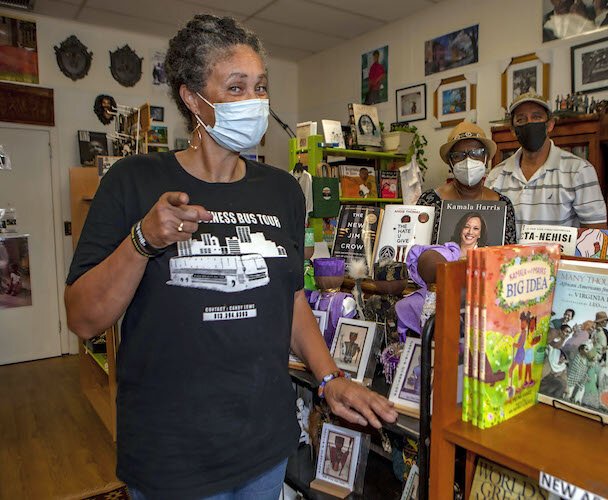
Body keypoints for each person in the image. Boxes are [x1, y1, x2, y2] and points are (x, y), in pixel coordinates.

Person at [64, 14, 396, 500]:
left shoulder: (283, 192)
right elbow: (82, 319)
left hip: (264, 445)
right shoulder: (132, 182)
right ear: (192, 98)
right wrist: (143, 241)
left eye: (261, 87)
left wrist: (329, 379)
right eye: (236, 87)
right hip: (172, 456)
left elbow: (290, 299)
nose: (256, 102)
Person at [486, 93, 607, 235]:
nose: (529, 123)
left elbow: (596, 233)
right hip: (510, 257)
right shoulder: (496, 175)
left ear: (550, 124)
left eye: (536, 117)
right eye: (521, 119)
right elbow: (488, 229)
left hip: (560, 257)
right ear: (513, 130)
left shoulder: (579, 170)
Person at [417, 121, 517, 246]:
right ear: (450, 162)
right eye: (459, 155)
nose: (468, 161)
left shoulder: (502, 204)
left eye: (476, 153)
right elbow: (416, 251)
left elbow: (510, 254)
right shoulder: (430, 201)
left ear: (486, 159)